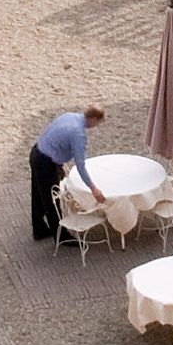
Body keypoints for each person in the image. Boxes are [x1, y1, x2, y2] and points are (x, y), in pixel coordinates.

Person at [31, 103, 107, 243]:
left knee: (38, 195)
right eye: (97, 123)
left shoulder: (70, 116)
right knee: (52, 200)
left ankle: (39, 229)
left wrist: (59, 165)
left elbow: (57, 141)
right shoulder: (78, 134)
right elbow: (80, 164)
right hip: (45, 163)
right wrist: (93, 188)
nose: (96, 126)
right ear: (94, 119)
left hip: (37, 152)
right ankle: (61, 235)